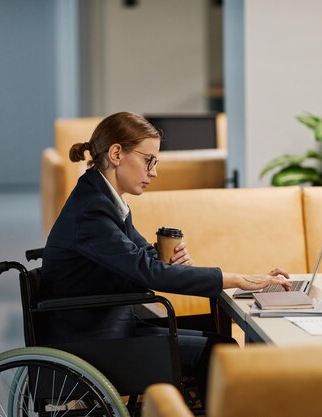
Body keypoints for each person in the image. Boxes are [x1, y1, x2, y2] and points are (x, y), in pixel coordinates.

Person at [41, 111, 290, 404]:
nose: (154, 172)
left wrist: (168, 260)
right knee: (218, 352)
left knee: (219, 343)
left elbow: (143, 258)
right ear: (117, 153)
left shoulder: (103, 199)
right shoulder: (93, 211)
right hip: (94, 337)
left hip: (108, 323)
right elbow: (146, 272)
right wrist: (235, 279)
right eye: (149, 160)